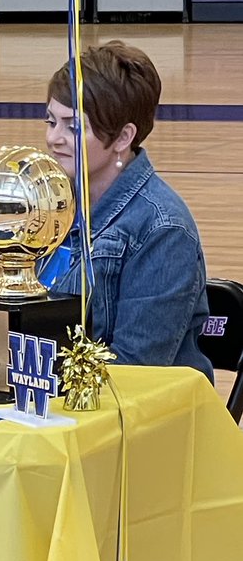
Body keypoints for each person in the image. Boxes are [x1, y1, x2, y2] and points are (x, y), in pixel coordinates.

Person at [41, 40, 212, 378]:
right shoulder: (49, 202)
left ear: (122, 137)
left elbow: (136, 367)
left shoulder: (163, 229)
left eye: (73, 127)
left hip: (137, 414)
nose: (54, 138)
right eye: (50, 121)